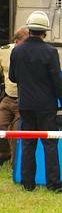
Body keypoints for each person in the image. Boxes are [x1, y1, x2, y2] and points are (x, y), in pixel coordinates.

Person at [9, 12, 62, 192]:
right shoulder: (50, 52)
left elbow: (12, 77)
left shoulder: (17, 51)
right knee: (50, 144)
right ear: (45, 32)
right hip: (46, 107)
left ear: (29, 28)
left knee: (28, 144)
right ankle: (53, 184)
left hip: (25, 105)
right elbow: (58, 81)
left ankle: (28, 184)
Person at [0, 27, 26, 169]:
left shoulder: (30, 54)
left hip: (22, 99)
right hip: (7, 97)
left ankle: (14, 165)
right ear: (16, 41)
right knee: (1, 125)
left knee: (16, 133)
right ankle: (4, 155)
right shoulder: (3, 51)